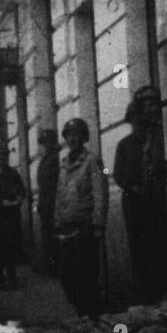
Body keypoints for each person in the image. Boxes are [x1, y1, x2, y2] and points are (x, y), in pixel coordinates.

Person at [112, 86, 167, 303]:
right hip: (135, 204)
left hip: (156, 201)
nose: (138, 122)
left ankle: (161, 293)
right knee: (140, 249)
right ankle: (148, 293)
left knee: (161, 245)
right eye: (134, 119)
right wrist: (134, 186)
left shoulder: (157, 139)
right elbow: (117, 175)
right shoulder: (124, 145)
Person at [54, 118, 108, 317]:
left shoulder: (92, 160)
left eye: (77, 134)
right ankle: (81, 312)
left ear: (84, 137)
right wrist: (57, 221)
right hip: (67, 227)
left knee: (87, 275)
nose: (72, 138)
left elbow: (100, 192)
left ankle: (90, 316)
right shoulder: (64, 163)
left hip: (85, 226)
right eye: (69, 135)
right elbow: (59, 195)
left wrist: (98, 224)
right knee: (68, 276)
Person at [0, 140, 26, 288]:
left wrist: (19, 198)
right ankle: (0, 277)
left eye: (5, 155)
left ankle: (12, 276)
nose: (3, 158)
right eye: (0, 155)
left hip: (10, 216)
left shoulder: (12, 173)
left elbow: (21, 189)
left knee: (11, 246)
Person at [35, 128, 60, 275]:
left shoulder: (55, 158)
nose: (46, 145)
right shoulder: (44, 159)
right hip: (45, 203)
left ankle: (55, 266)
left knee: (53, 236)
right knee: (47, 235)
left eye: (48, 142)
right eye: (44, 143)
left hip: (53, 203)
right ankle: (49, 266)